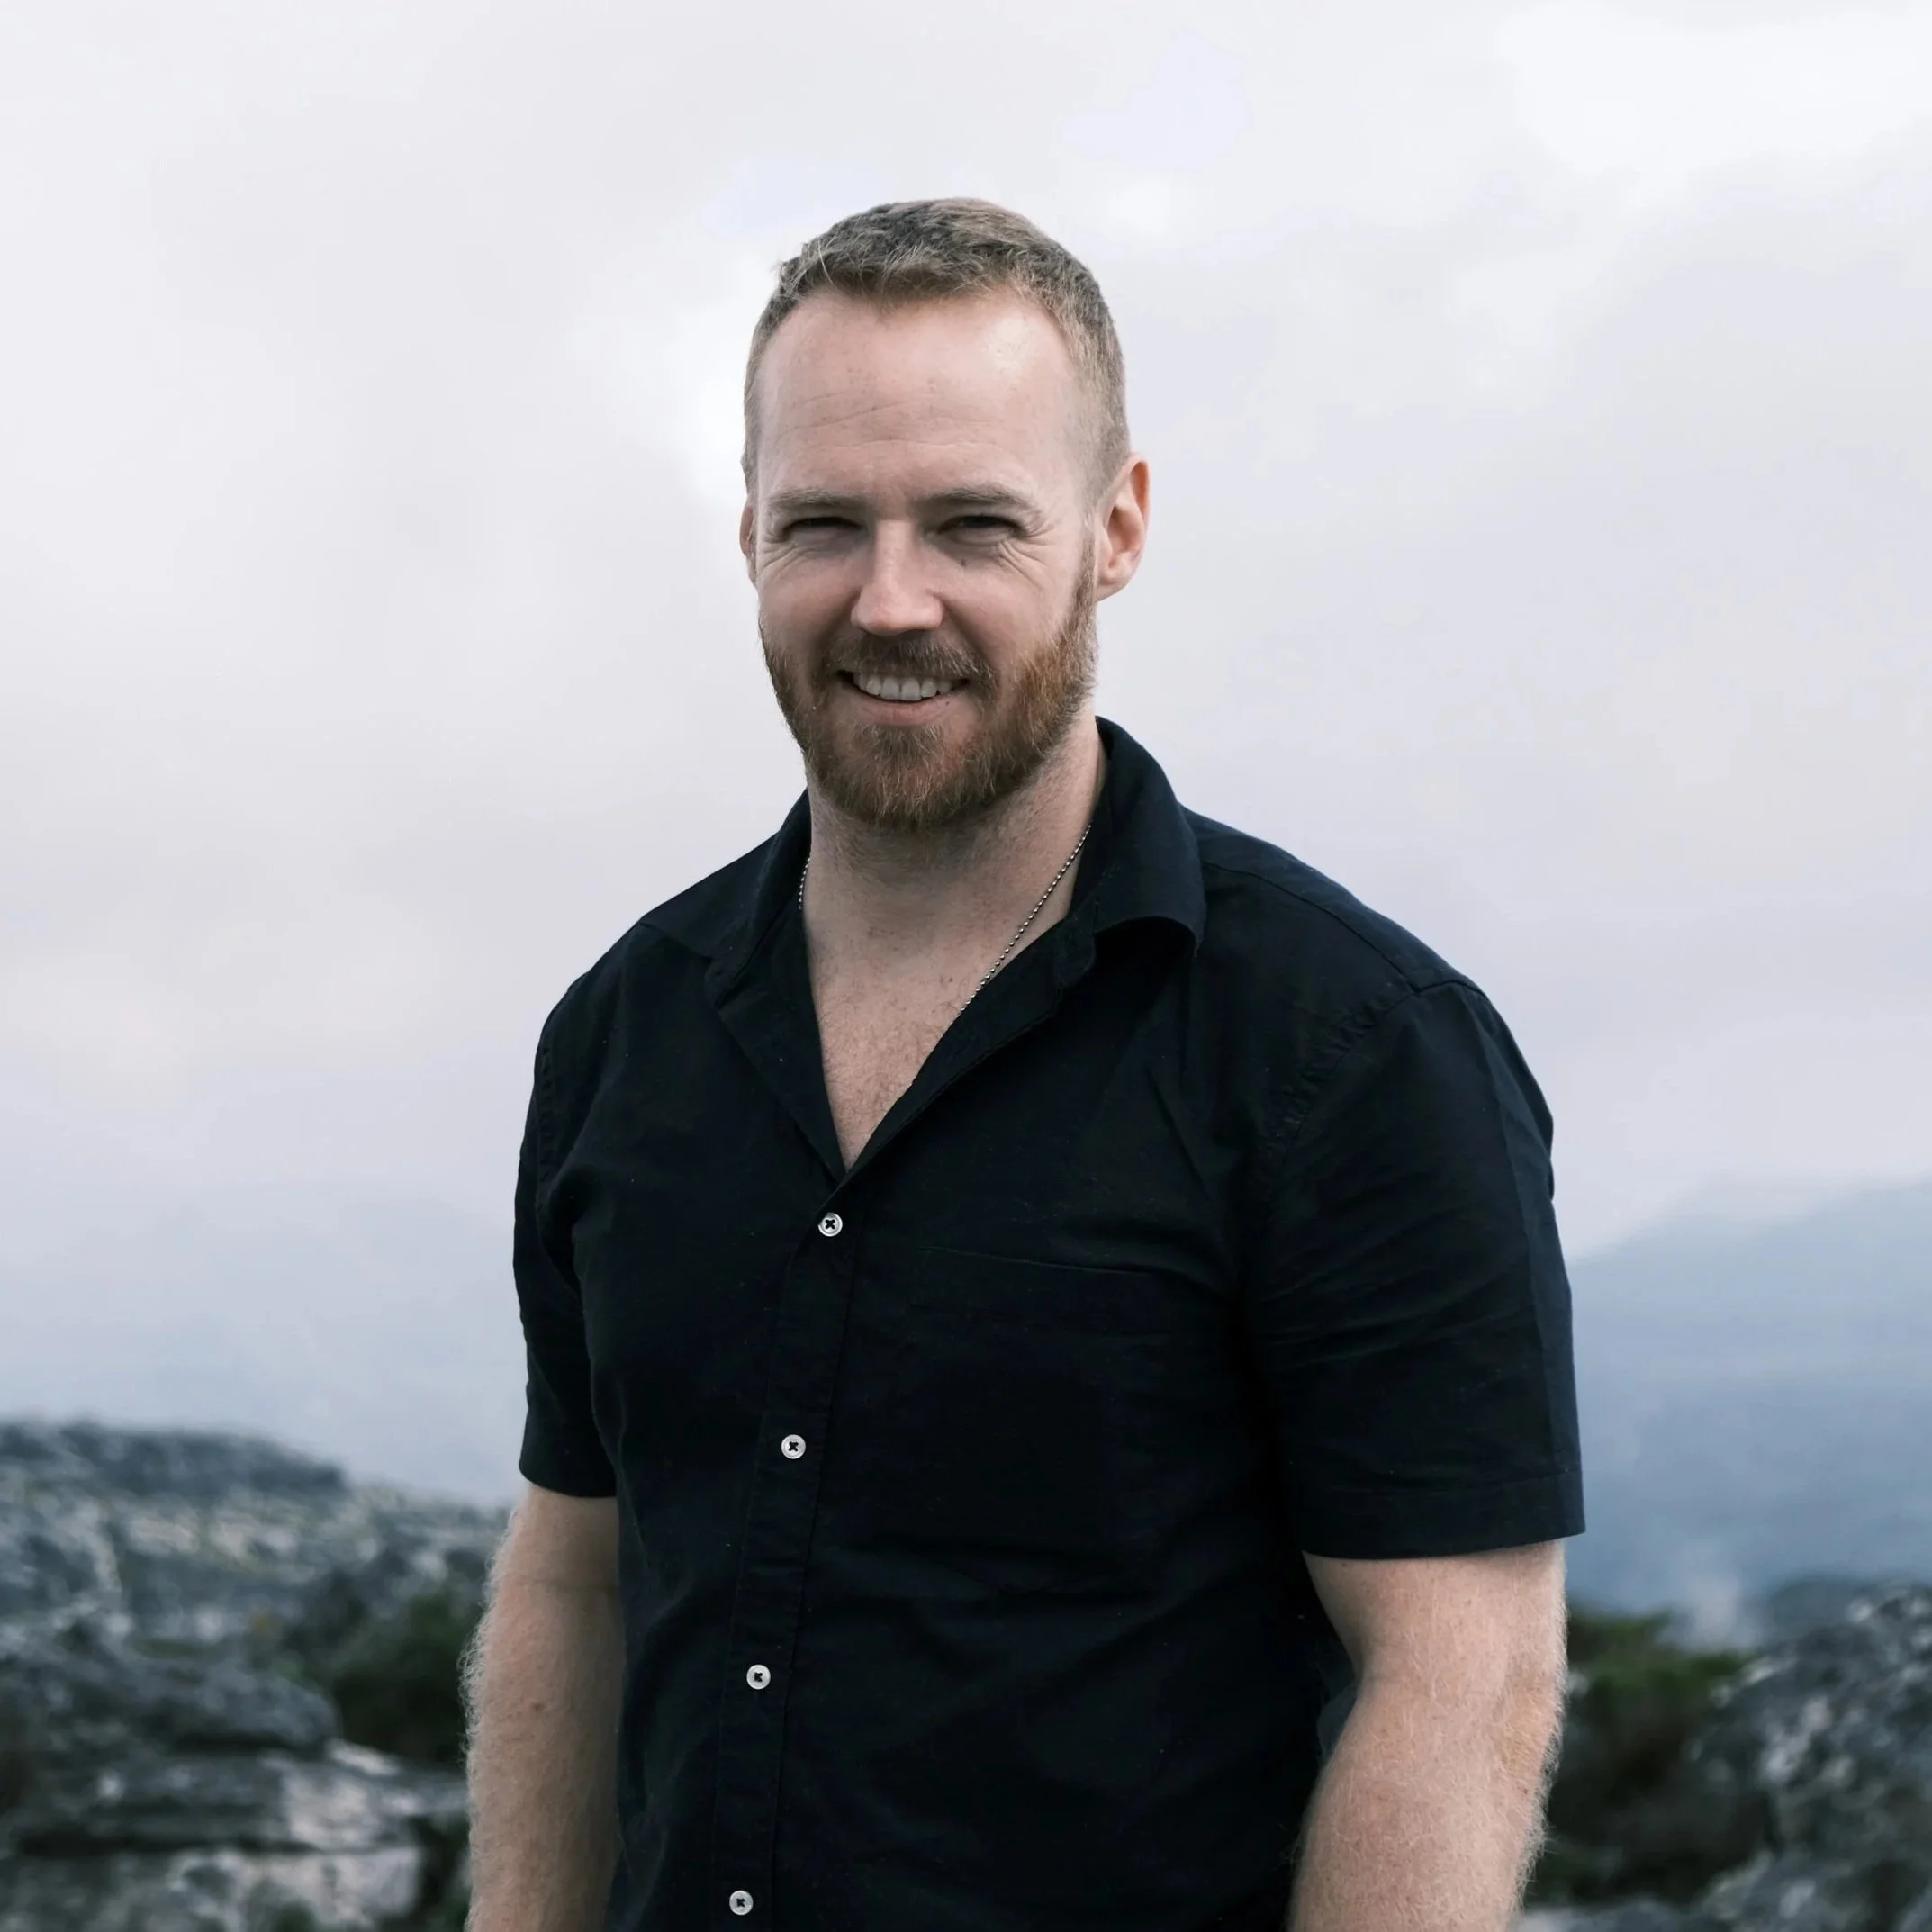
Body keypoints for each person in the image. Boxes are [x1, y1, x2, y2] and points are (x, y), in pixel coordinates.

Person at [464, 198, 1584, 1932]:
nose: (890, 600)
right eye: (826, 522)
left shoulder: (1354, 1050)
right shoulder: (623, 1029)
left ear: (1115, 525)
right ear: (749, 528)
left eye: (972, 524)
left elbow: (1459, 1675)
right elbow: (574, 1577)